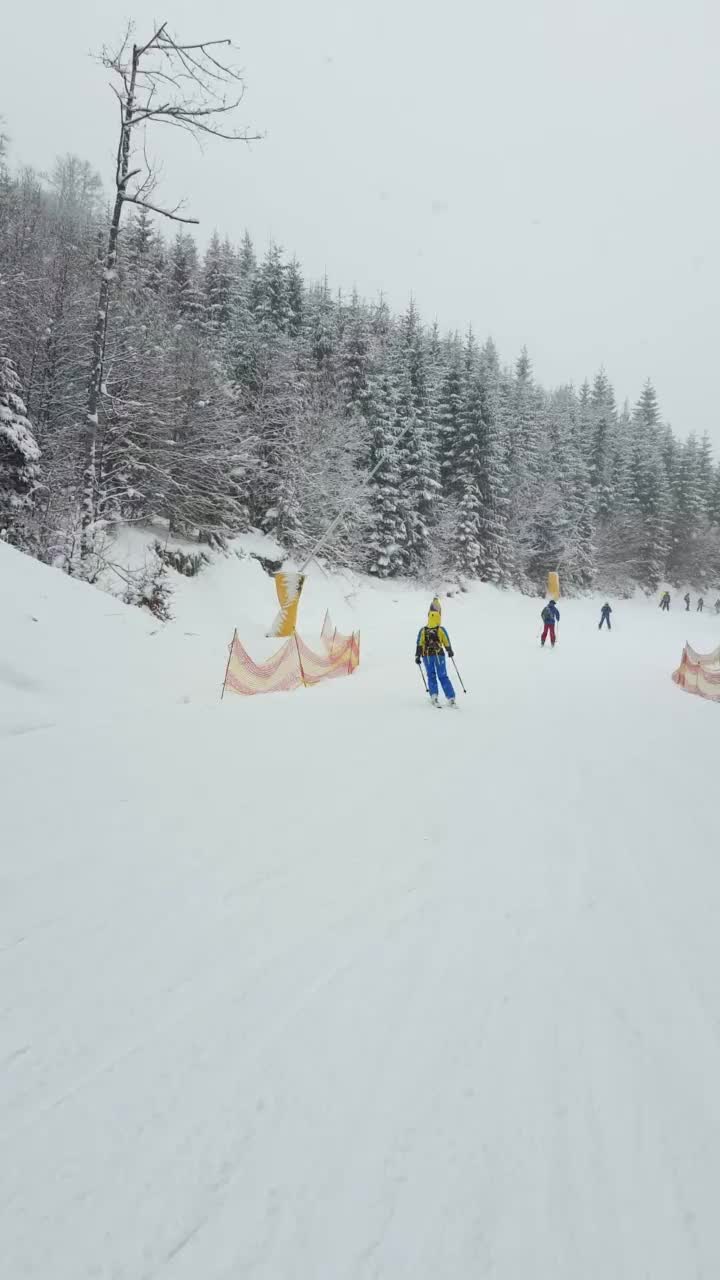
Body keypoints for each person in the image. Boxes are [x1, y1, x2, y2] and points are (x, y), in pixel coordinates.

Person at [415, 609, 456, 706]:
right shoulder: (441, 629)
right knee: (443, 675)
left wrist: (418, 656)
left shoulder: (423, 630)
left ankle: (434, 696)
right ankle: (451, 697)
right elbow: (446, 640)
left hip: (427, 656)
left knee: (431, 675)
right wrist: (449, 650)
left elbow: (419, 644)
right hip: (439, 656)